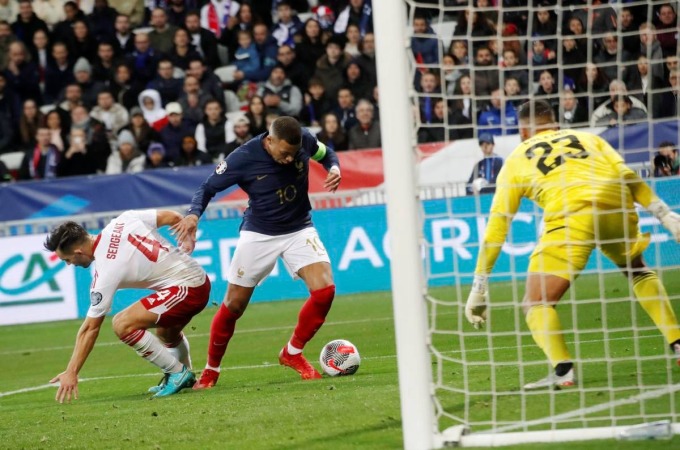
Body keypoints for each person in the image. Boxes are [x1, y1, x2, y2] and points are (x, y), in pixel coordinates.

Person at [465, 100, 680, 390]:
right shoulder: (589, 139)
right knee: (637, 269)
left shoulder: (517, 158)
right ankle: (677, 342)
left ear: (524, 130)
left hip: (570, 215)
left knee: (536, 302)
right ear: (555, 122)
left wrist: (479, 285)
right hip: (614, 202)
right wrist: (665, 215)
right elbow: (627, 176)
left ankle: (563, 370)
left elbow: (498, 225)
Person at [171, 116, 342, 389]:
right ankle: (211, 371)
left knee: (325, 291)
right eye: (284, 154)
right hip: (259, 234)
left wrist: (334, 167)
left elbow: (325, 153)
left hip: (300, 228)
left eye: (293, 155)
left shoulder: (304, 140)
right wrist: (192, 216)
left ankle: (293, 353)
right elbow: (207, 188)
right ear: (269, 140)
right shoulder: (242, 158)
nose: (289, 160)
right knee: (234, 305)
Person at [45, 209, 211, 402]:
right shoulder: (123, 220)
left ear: (78, 252)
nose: (68, 264)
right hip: (195, 279)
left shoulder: (105, 272)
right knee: (166, 332)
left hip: (188, 288)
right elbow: (173, 217)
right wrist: (188, 238)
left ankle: (177, 373)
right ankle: (184, 376)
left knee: (122, 324)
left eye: (67, 260)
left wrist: (72, 371)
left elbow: (90, 329)